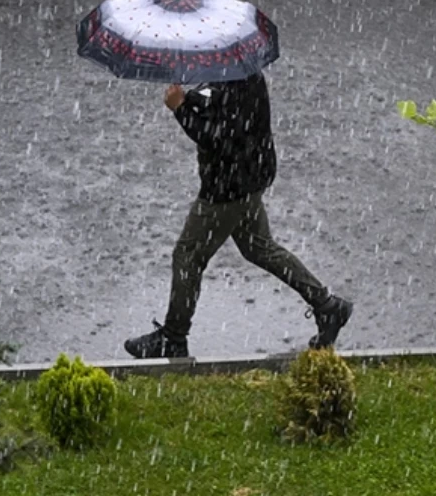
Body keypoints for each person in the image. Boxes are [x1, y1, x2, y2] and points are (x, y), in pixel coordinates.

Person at [124, 71, 353, 359]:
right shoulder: (241, 72)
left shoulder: (233, 82)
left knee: (188, 255)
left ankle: (173, 336)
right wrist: (192, 98)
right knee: (258, 247)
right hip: (249, 178)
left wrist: (180, 109)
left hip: (227, 188)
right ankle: (329, 307)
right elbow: (217, 105)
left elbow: (218, 139)